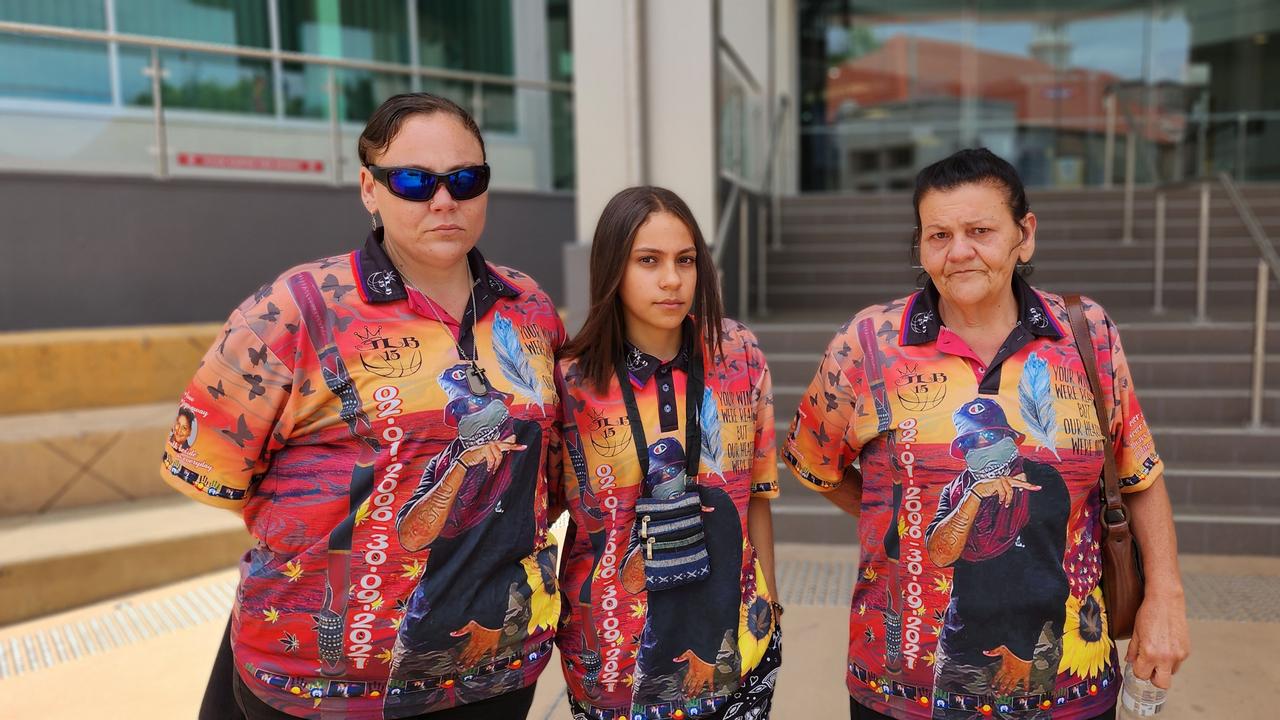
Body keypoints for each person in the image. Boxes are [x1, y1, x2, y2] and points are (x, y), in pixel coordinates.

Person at [166, 92, 565, 720]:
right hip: (320, 684)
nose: (444, 200)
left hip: (492, 670)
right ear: (369, 189)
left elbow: (551, 475)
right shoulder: (296, 309)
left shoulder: (530, 308)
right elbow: (217, 477)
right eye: (413, 180)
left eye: (466, 179)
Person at [783, 148, 1189, 720]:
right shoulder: (868, 342)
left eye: (980, 230)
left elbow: (1137, 473)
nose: (959, 252)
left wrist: (1165, 597)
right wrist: (909, 510)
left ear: (1025, 235)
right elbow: (813, 465)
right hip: (913, 683)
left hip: (1065, 674)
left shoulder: (1085, 332)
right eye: (939, 235)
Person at [554, 186, 783, 720]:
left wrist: (770, 609)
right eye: (648, 261)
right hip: (615, 655)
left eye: (685, 260)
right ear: (613, 266)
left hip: (735, 650)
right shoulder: (572, 379)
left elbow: (757, 496)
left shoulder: (739, 354)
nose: (672, 280)